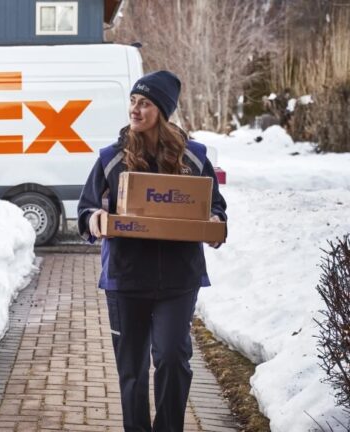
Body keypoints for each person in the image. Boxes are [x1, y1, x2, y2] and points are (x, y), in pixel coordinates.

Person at [77, 70, 227, 432]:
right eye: (132, 101)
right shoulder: (112, 158)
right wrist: (95, 217)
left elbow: (217, 208)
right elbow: (85, 208)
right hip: (126, 278)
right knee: (132, 370)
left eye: (144, 103)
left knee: (173, 358)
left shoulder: (193, 159)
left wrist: (214, 221)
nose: (135, 109)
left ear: (162, 110)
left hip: (179, 278)